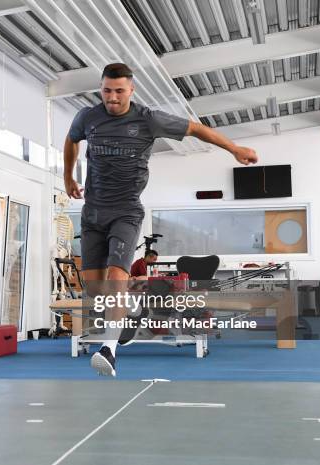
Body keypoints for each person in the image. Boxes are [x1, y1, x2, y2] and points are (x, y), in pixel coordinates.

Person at [64, 63, 258, 377]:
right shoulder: (87, 117)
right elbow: (71, 140)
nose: (112, 97)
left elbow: (196, 129)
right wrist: (68, 177)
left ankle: (108, 350)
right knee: (95, 289)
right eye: (107, 90)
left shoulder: (148, 119)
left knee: (115, 279)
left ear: (131, 90)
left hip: (126, 211)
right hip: (93, 213)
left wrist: (233, 149)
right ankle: (132, 309)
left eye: (119, 91)